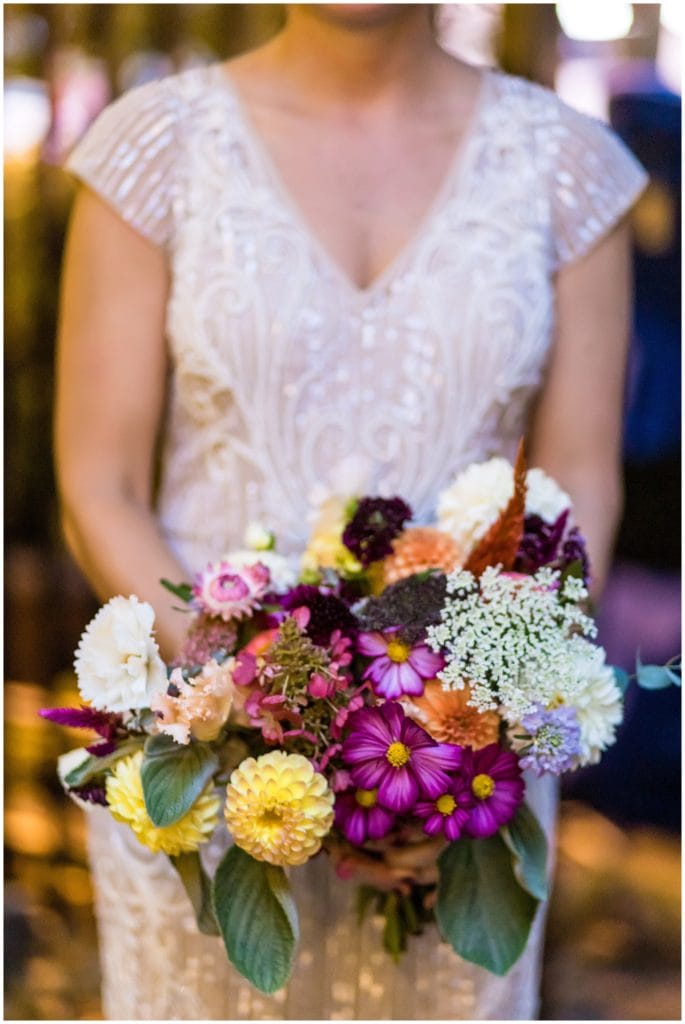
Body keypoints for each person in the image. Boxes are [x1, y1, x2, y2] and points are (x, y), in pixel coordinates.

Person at [54, 4, 647, 1019]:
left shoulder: (571, 171)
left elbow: (579, 484)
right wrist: (242, 706)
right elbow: (96, 480)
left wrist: (473, 737)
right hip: (204, 776)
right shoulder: (154, 148)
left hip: (453, 786)